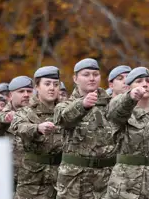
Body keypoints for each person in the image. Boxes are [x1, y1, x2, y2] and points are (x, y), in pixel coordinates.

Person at [54, 58, 118, 199]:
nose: (91, 78)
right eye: (86, 74)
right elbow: (63, 119)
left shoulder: (110, 104)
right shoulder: (65, 105)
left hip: (106, 177)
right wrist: (82, 105)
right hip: (75, 180)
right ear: (75, 78)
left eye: (95, 74)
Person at [106, 67, 149, 199]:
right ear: (128, 87)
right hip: (128, 182)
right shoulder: (121, 108)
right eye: (139, 81)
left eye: (148, 81)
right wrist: (130, 98)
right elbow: (116, 112)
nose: (145, 84)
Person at [9, 66, 65, 199]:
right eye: (47, 84)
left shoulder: (65, 110)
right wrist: (37, 128)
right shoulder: (26, 111)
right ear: (37, 87)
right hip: (33, 181)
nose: (52, 88)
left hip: (62, 179)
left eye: (56, 84)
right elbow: (17, 126)